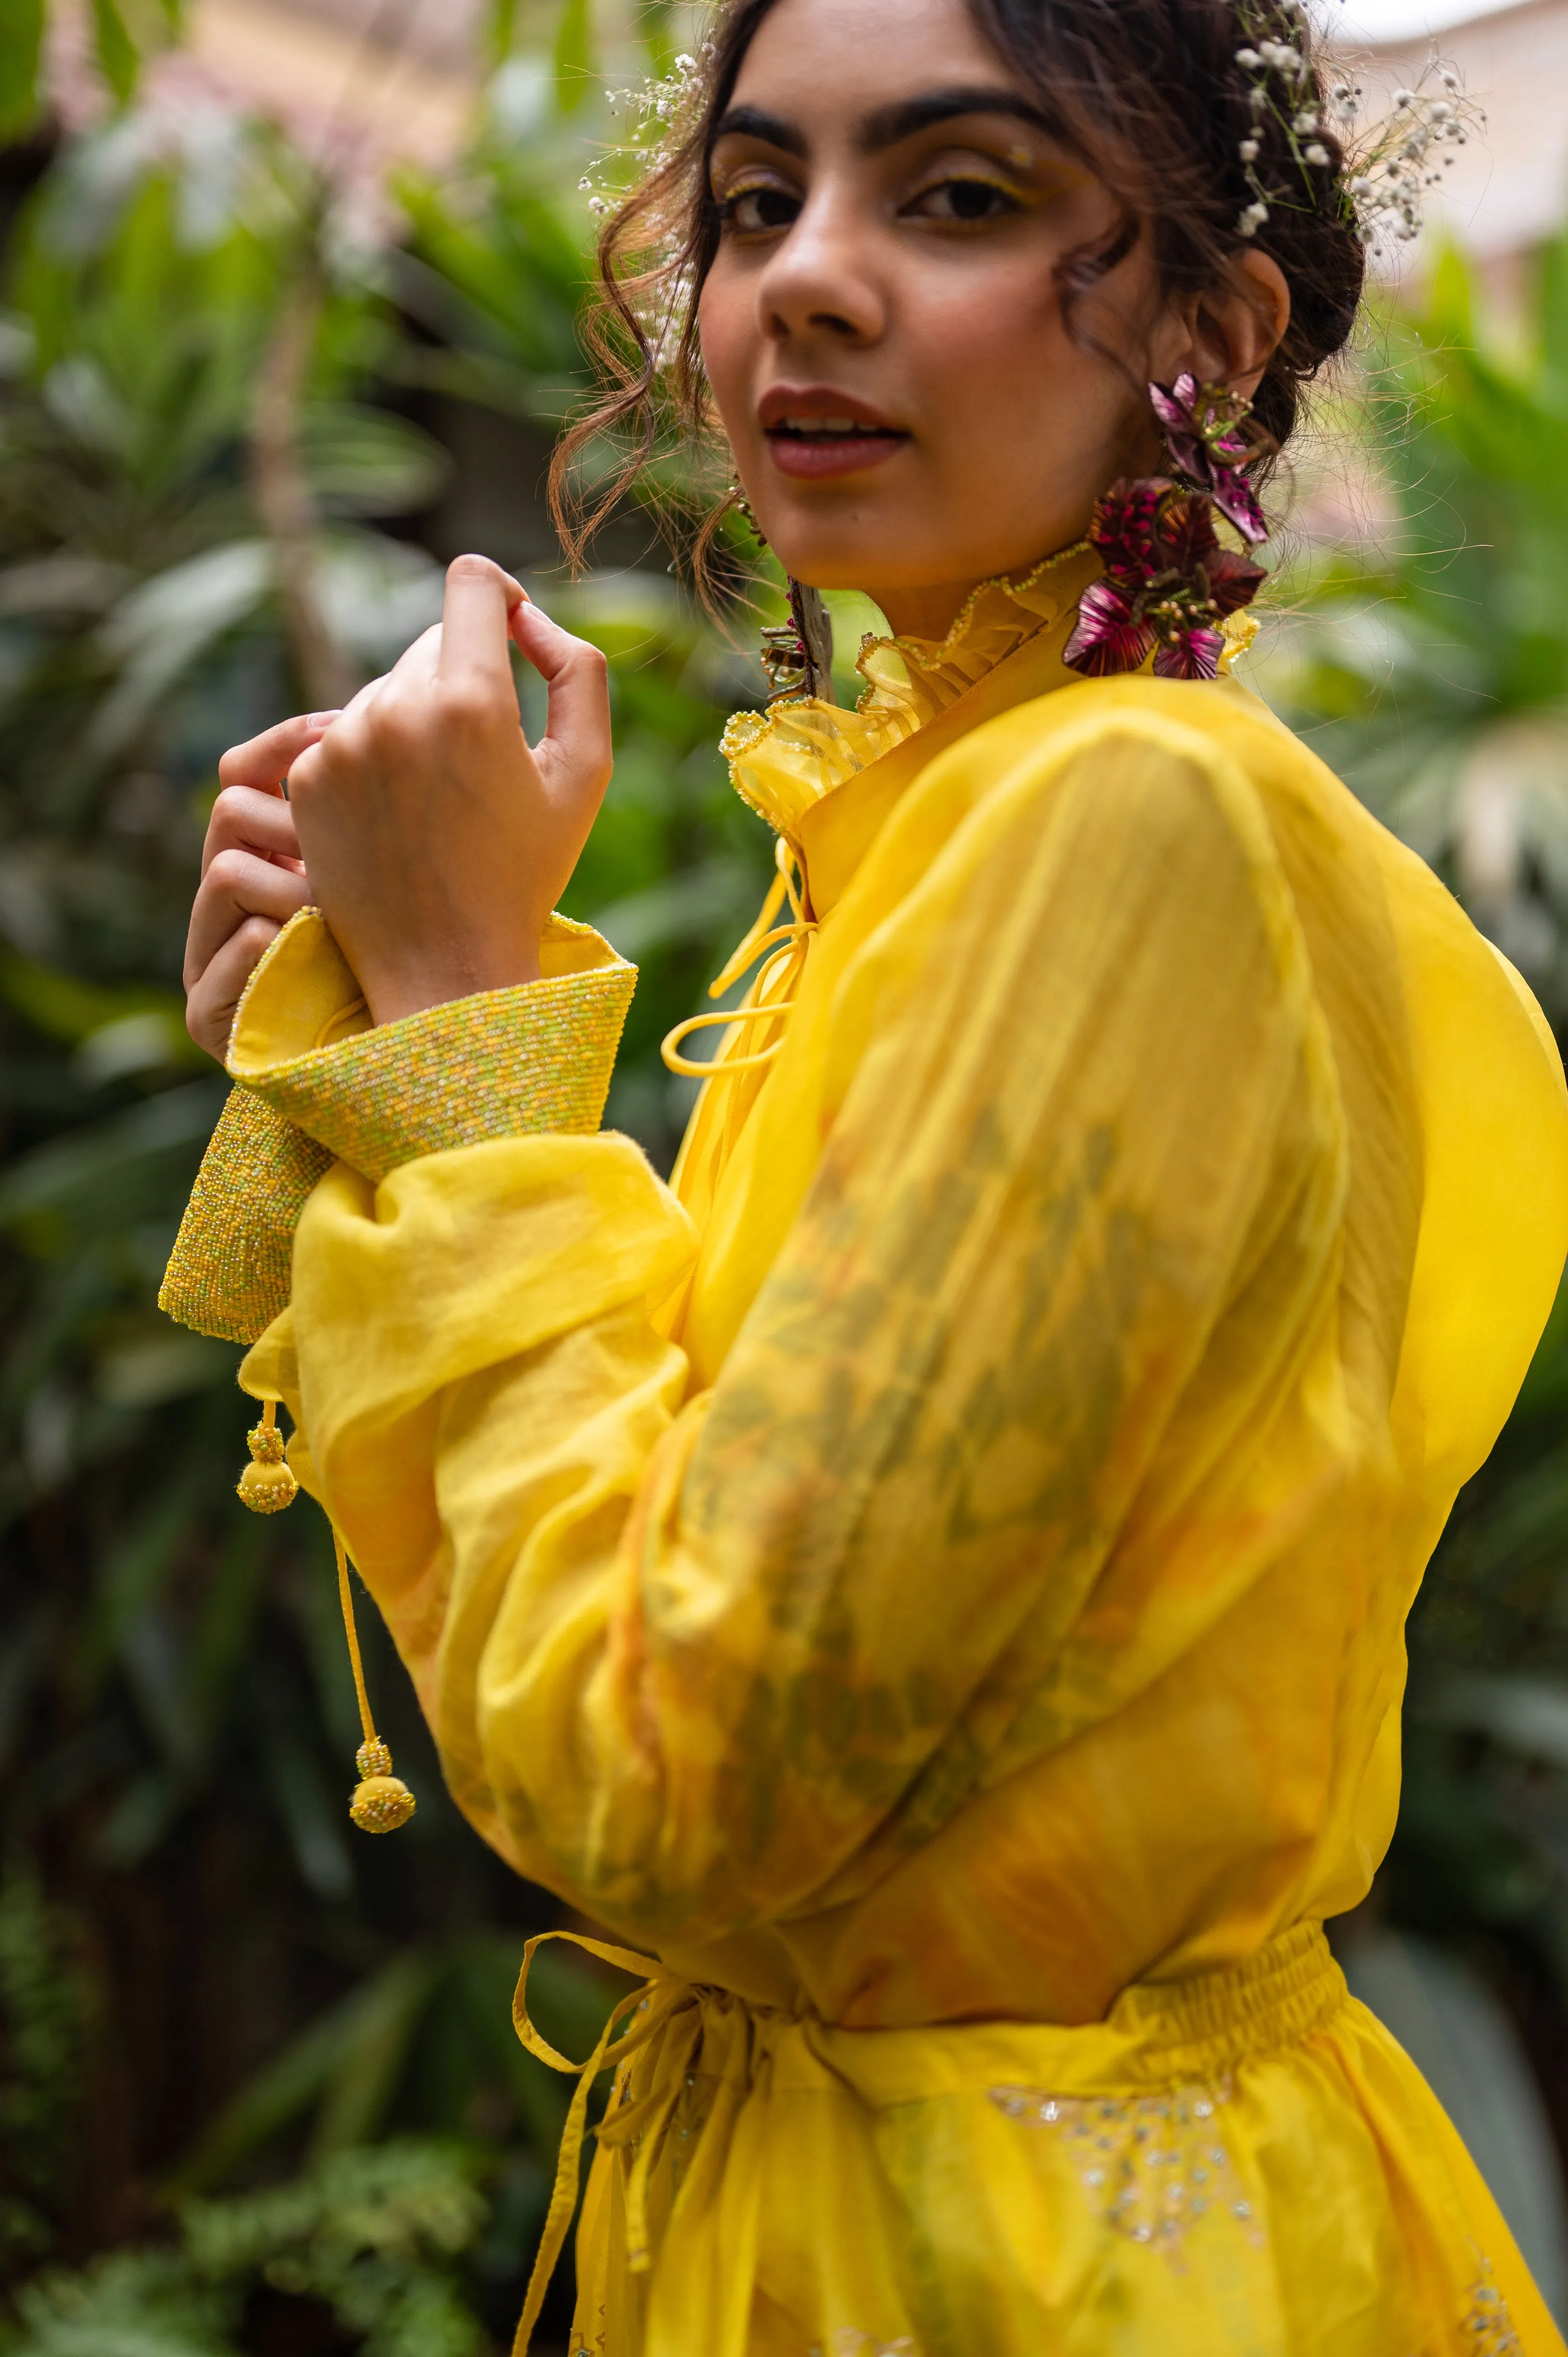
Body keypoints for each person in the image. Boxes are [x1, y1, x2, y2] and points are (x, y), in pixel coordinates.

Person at [161, 0, 1568, 2345]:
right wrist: (371, 1043)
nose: (805, 278)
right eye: (752, 202)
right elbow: (625, 1605)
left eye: (959, 196)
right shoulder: (931, 839)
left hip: (1030, 2273)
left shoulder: (1125, 819)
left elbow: (670, 1777)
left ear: (1206, 336)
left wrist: (454, 1038)